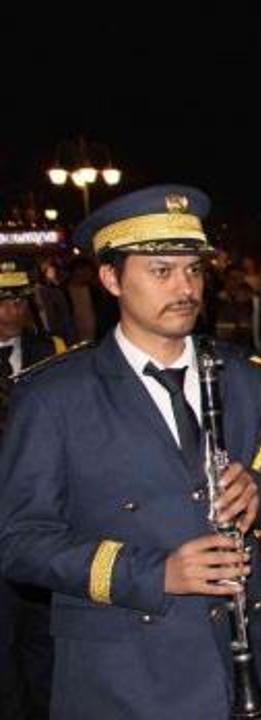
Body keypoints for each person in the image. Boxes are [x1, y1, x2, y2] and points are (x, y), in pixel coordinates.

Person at [0, 185, 261, 717]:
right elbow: (20, 541)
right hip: (127, 675)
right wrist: (154, 573)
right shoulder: (54, 395)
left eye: (193, 270)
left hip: (257, 655)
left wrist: (260, 491)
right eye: (161, 271)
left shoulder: (246, 375)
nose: (185, 287)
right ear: (111, 278)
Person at [0, 262, 67, 719]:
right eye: (4, 301)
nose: (13, 310)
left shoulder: (54, 350)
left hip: (46, 510)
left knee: (47, 633)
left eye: (20, 300)